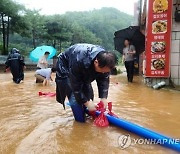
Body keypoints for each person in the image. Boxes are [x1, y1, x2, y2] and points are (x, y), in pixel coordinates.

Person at [56, 43, 117, 122]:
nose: (103, 73)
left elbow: (104, 79)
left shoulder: (105, 61)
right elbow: (75, 86)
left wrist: (103, 97)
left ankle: (86, 111)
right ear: (96, 62)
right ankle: (80, 121)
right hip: (66, 66)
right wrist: (87, 103)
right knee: (73, 96)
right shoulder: (78, 60)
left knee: (88, 91)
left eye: (106, 72)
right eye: (102, 71)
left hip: (85, 65)